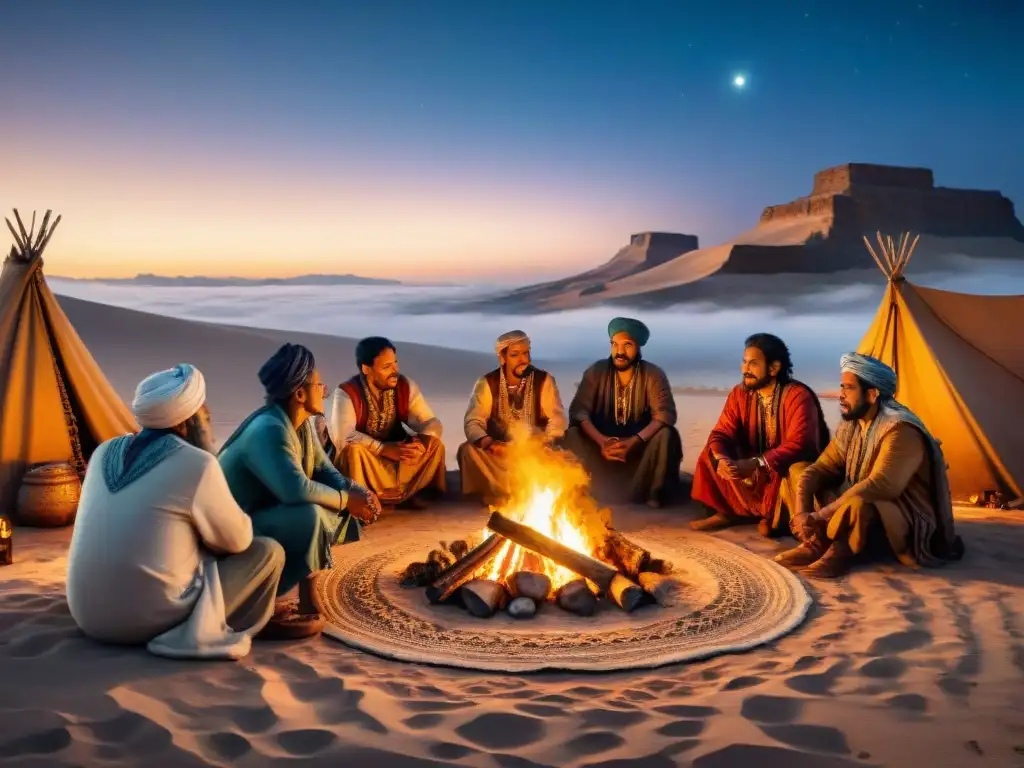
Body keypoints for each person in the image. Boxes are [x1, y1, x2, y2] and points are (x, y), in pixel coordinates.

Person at [66, 364, 284, 659]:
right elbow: (237, 541)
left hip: (88, 616)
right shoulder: (197, 464)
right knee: (268, 551)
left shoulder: (103, 451)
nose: (208, 415)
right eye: (203, 412)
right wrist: (207, 451)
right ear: (190, 419)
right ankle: (203, 627)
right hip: (147, 621)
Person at [219, 343, 381, 638]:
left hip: (265, 516)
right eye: (319, 385)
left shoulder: (302, 424)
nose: (325, 391)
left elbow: (324, 470)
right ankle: (261, 604)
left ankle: (307, 593)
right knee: (310, 514)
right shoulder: (268, 429)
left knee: (327, 505)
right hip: (234, 534)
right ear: (300, 394)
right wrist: (347, 501)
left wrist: (358, 493)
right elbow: (295, 489)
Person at [773, 353, 965, 578]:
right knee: (799, 470)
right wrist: (802, 513)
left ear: (872, 394)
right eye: (841, 387)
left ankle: (839, 551)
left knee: (858, 503)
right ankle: (816, 542)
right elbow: (820, 468)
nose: (841, 395)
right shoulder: (852, 423)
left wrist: (819, 516)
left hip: (900, 517)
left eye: (848, 388)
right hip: (849, 504)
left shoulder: (901, 429)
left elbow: (880, 485)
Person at [690, 333, 830, 536]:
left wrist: (757, 463)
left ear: (773, 368)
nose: (745, 369)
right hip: (751, 466)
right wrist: (722, 459)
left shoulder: (797, 395)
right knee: (711, 452)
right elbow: (722, 431)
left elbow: (799, 444)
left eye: (753, 364)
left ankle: (772, 518)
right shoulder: (739, 393)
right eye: (744, 362)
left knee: (795, 472)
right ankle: (727, 512)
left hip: (781, 466)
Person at [564, 317, 683, 507]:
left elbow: (664, 415)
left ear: (638, 347)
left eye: (627, 345)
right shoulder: (596, 371)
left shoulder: (653, 374)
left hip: (639, 454)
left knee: (668, 435)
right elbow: (580, 412)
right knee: (572, 434)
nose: (619, 352)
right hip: (600, 451)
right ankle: (580, 490)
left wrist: (633, 442)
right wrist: (602, 442)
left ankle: (654, 494)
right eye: (614, 345)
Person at [327, 336, 446, 509]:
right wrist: (382, 449)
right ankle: (363, 501)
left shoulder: (404, 385)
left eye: (395, 363)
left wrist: (422, 441)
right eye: (386, 367)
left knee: (435, 445)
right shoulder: (347, 393)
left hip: (399, 455)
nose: (395, 370)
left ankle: (416, 493)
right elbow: (343, 436)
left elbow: (430, 422)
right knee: (352, 451)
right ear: (366, 369)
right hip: (368, 460)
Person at [457, 330, 568, 503]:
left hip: (534, 451)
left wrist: (543, 442)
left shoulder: (544, 380)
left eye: (526, 353)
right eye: (515, 355)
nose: (523, 359)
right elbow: (473, 421)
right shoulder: (487, 383)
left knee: (561, 456)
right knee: (468, 451)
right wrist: (490, 443)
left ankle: (526, 493)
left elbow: (557, 419)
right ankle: (501, 493)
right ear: (503, 358)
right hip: (499, 452)